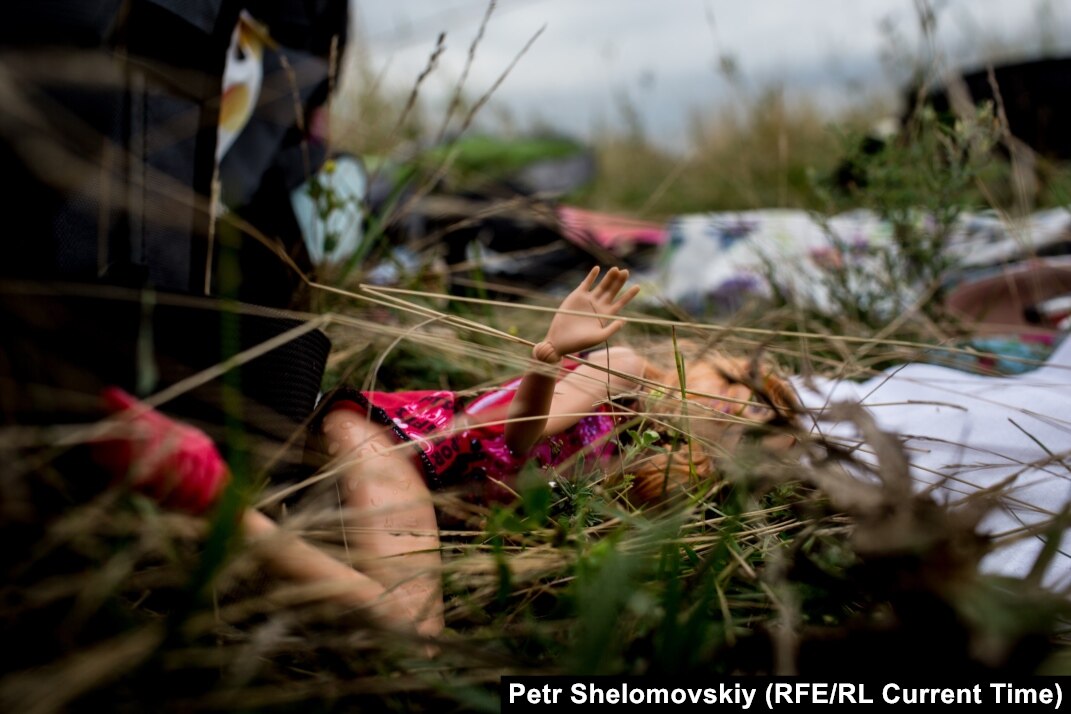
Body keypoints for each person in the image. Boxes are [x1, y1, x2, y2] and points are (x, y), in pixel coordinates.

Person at [95, 266, 800, 640]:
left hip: (430, 480)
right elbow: (520, 438)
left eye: (752, 424)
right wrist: (550, 357)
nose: (735, 409)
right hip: (405, 444)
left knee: (414, 631)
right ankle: (200, 489)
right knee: (414, 629)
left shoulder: (650, 469)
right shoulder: (624, 371)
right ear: (705, 360)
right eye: (739, 384)